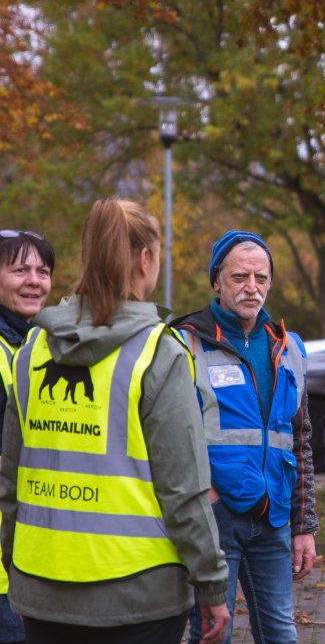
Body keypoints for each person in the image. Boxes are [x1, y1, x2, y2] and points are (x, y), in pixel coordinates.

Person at [0, 198, 230, 644]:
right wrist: (212, 584)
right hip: (140, 599)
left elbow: (11, 479)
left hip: (43, 590)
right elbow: (184, 491)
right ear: (145, 260)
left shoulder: (33, 350)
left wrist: (18, 571)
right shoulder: (158, 353)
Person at [174, 230, 318, 644]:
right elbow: (171, 437)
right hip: (212, 519)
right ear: (216, 281)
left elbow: (300, 440)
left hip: (273, 518)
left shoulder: (289, 348)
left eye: (261, 277)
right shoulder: (185, 342)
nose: (251, 287)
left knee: (281, 633)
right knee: (213, 633)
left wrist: (304, 525)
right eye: (239, 277)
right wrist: (203, 498)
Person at [0, 230, 55, 644]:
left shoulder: (34, 345)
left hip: (27, 555)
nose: (34, 281)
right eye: (20, 270)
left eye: (43, 271)